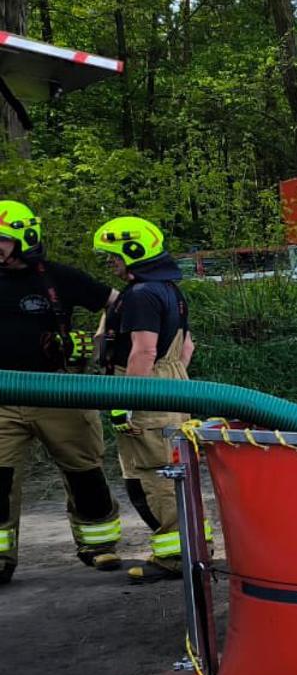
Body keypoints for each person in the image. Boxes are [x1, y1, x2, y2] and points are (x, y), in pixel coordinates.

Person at [0, 201, 125, 585]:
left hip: (60, 392)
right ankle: (1, 559)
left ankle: (99, 546)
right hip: (3, 398)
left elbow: (118, 301)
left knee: (84, 473)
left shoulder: (57, 278)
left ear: (25, 238)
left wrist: (99, 341)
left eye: (2, 240)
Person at [92, 216, 197, 582]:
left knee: (154, 475)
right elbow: (186, 346)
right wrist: (172, 382)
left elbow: (143, 351)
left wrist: (126, 401)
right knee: (170, 471)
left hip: (144, 387)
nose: (111, 264)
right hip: (171, 382)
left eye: (113, 257)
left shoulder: (140, 295)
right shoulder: (169, 289)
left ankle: (173, 559)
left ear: (132, 251)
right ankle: (186, 550)